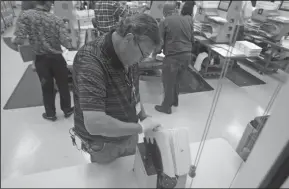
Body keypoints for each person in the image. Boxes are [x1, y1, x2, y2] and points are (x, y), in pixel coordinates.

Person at [72, 13, 161, 164]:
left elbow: (133, 91)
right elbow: (95, 124)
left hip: (128, 134)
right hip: (103, 144)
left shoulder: (129, 55)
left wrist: (144, 117)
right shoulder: (90, 60)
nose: (142, 60)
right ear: (129, 39)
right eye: (143, 55)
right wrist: (140, 127)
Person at [12, 1, 74, 121]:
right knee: (63, 86)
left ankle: (50, 114)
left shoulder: (25, 16)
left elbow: (19, 39)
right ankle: (67, 110)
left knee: (47, 87)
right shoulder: (56, 19)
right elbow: (67, 43)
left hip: (41, 60)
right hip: (57, 59)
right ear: (47, 4)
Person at [154, 2, 195, 114]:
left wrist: (154, 54)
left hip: (173, 57)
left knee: (168, 82)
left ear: (165, 12)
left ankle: (166, 107)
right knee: (177, 80)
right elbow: (192, 39)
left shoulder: (164, 22)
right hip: (187, 56)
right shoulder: (188, 20)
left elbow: (160, 43)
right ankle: (174, 101)